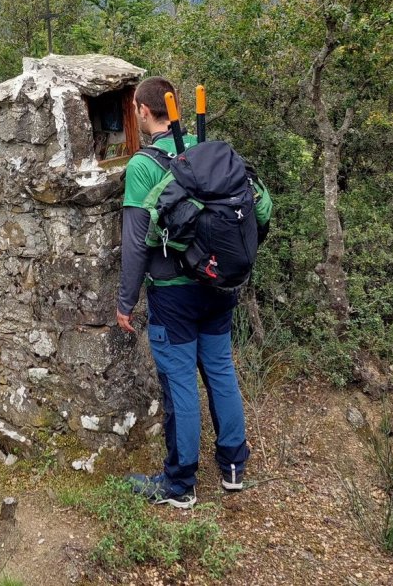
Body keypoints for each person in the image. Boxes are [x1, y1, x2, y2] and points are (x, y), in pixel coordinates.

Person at [116, 76, 263, 507]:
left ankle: (179, 484)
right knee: (220, 371)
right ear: (175, 107)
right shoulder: (209, 154)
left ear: (143, 111)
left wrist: (126, 301)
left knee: (180, 382)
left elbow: (135, 240)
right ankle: (234, 466)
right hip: (219, 284)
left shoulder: (143, 166)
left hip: (173, 294)